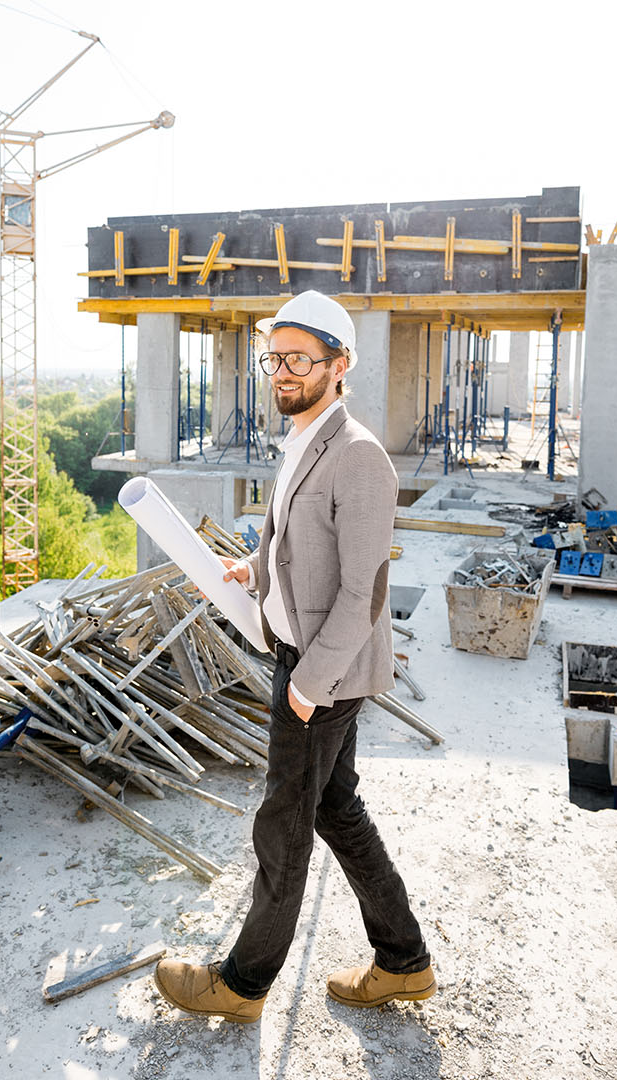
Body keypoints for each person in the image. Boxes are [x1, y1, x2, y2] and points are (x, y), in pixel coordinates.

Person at [153, 290, 434, 1023]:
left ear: (339, 365)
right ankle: (404, 961)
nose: (281, 371)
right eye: (272, 356)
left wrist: (308, 684)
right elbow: (294, 540)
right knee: (336, 810)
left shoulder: (360, 457)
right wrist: (257, 567)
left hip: (320, 672)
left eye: (298, 358)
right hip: (299, 655)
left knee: (283, 824)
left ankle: (243, 983)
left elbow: (365, 590)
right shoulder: (303, 441)